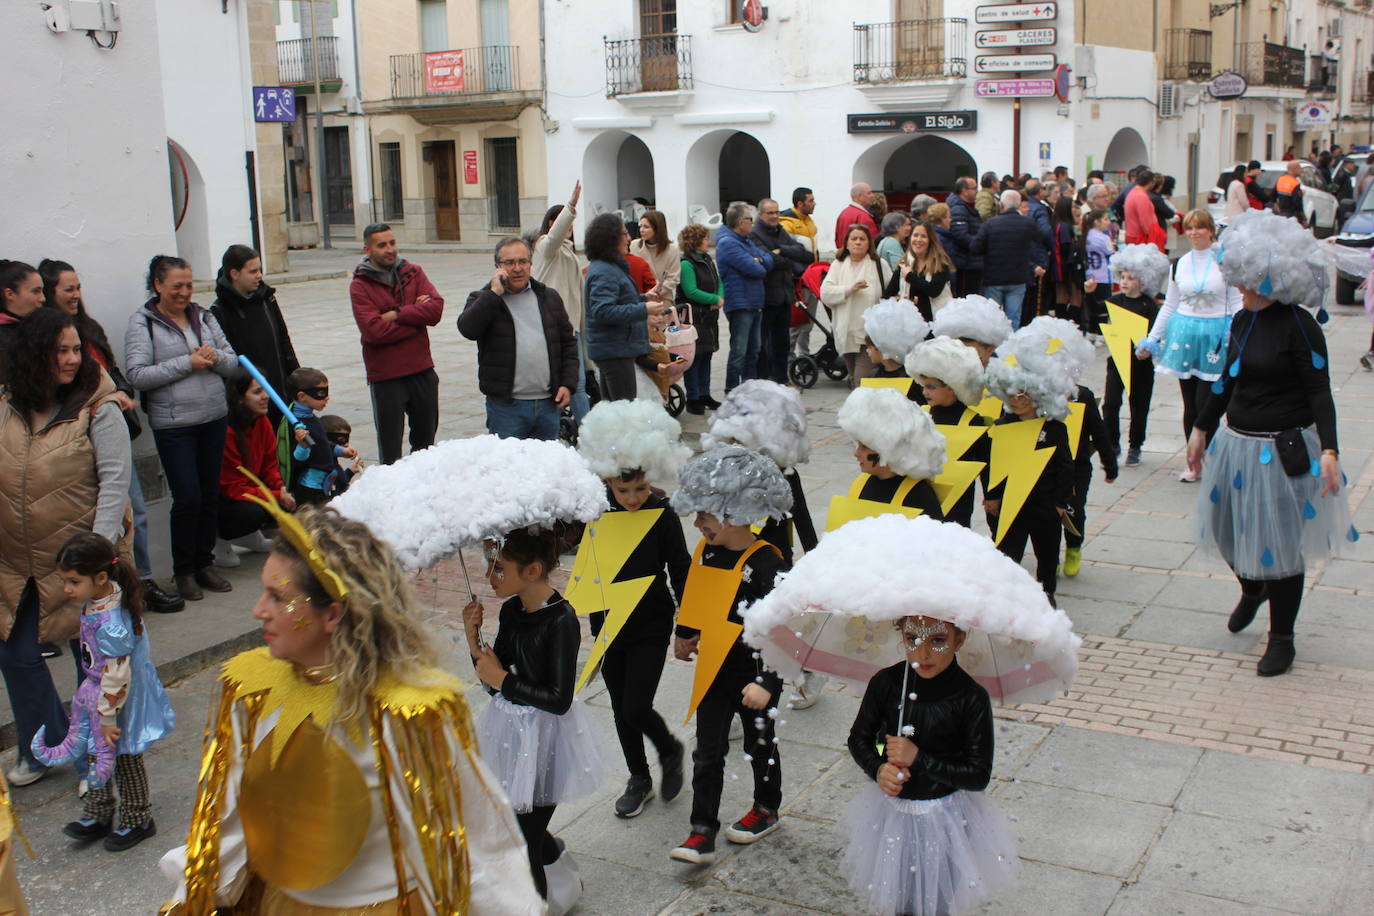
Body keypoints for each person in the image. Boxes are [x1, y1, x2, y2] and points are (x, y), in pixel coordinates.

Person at [160, 499, 543, 913]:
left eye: (277, 596)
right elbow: (230, 822)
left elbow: (475, 842)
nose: (258, 612)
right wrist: (193, 895)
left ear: (333, 614)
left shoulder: (408, 712)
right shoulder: (251, 690)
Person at [1186, 209, 1354, 677]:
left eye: (1248, 282)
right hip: (1236, 444)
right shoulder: (1242, 320)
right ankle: (1252, 587)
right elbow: (1225, 381)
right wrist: (1200, 429)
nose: (1240, 289)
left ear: (1270, 277)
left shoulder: (1301, 326)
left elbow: (1320, 391)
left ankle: (1282, 638)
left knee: (1280, 547)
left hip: (1283, 451)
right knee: (1225, 531)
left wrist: (1331, 449)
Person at [0, 309, 131, 787]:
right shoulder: (8, 404)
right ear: (35, 355)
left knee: (92, 668)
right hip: (17, 563)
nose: (73, 359)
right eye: (61, 350)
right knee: (15, 656)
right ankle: (42, 745)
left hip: (79, 562)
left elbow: (116, 482)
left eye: (77, 349)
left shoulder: (100, 406)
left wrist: (95, 553)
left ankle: (93, 759)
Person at [843, 615, 1017, 916]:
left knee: (936, 899)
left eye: (937, 641)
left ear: (959, 640)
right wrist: (879, 767)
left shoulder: (970, 697)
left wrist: (918, 758)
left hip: (945, 817)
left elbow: (978, 775)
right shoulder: (886, 683)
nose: (922, 654)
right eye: (912, 639)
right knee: (897, 895)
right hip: (892, 813)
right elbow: (861, 738)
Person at [463, 526, 601, 901]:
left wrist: (502, 679)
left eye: (499, 569)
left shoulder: (561, 620)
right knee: (518, 827)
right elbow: (492, 680)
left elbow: (558, 699)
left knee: (523, 844)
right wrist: (472, 639)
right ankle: (556, 858)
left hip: (545, 742)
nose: (490, 577)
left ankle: (536, 903)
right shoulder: (511, 610)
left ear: (533, 571)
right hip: (510, 734)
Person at [669, 445, 792, 865]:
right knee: (707, 751)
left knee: (761, 744)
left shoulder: (766, 565)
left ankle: (767, 807)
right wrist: (684, 633)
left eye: (704, 513)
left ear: (734, 511)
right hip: (713, 670)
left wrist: (768, 682)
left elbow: (782, 632)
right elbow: (696, 596)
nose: (697, 522)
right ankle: (702, 829)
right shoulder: (707, 551)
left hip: (753, 672)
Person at [39, 259, 182, 614]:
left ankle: (138, 583)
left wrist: (112, 393)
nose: (75, 294)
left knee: (134, 512)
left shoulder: (88, 328)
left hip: (111, 428)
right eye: (67, 288)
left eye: (78, 287)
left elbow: (111, 370)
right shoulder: (41, 340)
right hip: (78, 451)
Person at [575, 400, 690, 819]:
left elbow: (681, 567)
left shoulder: (662, 514)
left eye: (641, 488)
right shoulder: (594, 513)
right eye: (624, 491)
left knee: (636, 706)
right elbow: (583, 567)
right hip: (608, 622)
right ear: (607, 481)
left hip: (651, 622)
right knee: (620, 704)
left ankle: (669, 749)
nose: (634, 498)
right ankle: (638, 777)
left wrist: (688, 625)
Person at [35, 532, 174, 851]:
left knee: (124, 756)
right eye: (64, 581)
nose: (66, 589)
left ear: (99, 577)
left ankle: (138, 817)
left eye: (72, 581)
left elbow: (118, 670)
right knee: (97, 752)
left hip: (119, 697)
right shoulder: (99, 599)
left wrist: (109, 715)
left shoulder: (111, 619)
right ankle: (99, 812)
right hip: (101, 691)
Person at [125, 255, 238, 602]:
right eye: (177, 286)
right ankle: (184, 571)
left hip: (213, 416)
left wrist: (216, 359)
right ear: (158, 285)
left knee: (208, 495)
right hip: (174, 424)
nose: (184, 292)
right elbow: (137, 374)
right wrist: (186, 363)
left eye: (189, 285)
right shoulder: (143, 323)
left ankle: (205, 563)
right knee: (186, 497)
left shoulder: (204, 316)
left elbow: (234, 362)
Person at [1139, 210, 1240, 481]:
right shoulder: (1179, 263)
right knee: (1190, 403)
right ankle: (1194, 463)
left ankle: (1215, 460)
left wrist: (1242, 335)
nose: (1195, 233)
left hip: (1216, 337)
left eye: (1200, 228)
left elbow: (1237, 301)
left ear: (1211, 231)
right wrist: (1153, 337)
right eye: (1190, 228)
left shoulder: (1225, 262)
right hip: (1184, 337)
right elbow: (1171, 304)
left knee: (1208, 401)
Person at [983, 320, 1077, 605]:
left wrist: (1061, 503)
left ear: (1039, 392)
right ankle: (1007, 596)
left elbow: (1066, 467)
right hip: (1012, 501)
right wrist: (992, 496)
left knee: (1047, 552)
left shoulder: (1055, 428)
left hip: (1045, 504)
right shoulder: (1002, 424)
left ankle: (1047, 592)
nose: (1018, 399)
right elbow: (993, 465)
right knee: (1007, 553)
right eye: (1012, 393)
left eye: (1024, 393)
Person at [459, 237, 578, 440]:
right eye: (509, 263)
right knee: (508, 468)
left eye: (523, 261)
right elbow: (468, 329)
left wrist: (568, 383)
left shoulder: (549, 297)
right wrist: (494, 293)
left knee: (543, 469)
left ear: (531, 264)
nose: (517, 268)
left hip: (548, 404)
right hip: (507, 408)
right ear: (498, 267)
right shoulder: (484, 298)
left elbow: (568, 343)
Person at [350, 223, 444, 465]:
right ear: (367, 249)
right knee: (391, 451)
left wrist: (397, 313)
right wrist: (416, 314)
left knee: (426, 446)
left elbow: (435, 310)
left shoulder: (413, 272)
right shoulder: (359, 285)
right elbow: (374, 331)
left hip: (422, 370)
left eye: (392, 243)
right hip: (386, 377)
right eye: (382, 245)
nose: (390, 249)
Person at [584, 213, 670, 401]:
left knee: (614, 408)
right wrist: (644, 309)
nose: (629, 238)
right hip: (614, 349)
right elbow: (603, 311)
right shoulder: (605, 271)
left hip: (615, 348)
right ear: (609, 239)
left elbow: (616, 301)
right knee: (623, 410)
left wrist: (643, 297)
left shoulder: (608, 267)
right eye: (624, 234)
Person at [216, 370, 298, 569]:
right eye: (257, 391)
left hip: (250, 488)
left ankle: (250, 536)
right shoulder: (228, 431)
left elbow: (270, 464)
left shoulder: (261, 421)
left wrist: (280, 488)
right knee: (254, 511)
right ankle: (219, 541)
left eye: (266, 390)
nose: (265, 396)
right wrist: (276, 495)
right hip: (226, 499)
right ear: (240, 399)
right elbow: (232, 487)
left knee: (289, 499)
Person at [906, 336, 989, 527]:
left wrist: (992, 495)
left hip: (959, 502)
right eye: (923, 386)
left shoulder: (973, 421)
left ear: (953, 387)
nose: (925, 392)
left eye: (931, 387)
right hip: (923, 498)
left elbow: (986, 462)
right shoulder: (922, 415)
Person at [210, 244, 298, 421]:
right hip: (251, 400)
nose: (259, 275)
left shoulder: (267, 299)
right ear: (234, 274)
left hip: (279, 389)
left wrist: (295, 377)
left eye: (260, 269)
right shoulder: (220, 311)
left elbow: (283, 339)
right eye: (252, 271)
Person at [1096, 245, 1166, 468]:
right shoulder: (1116, 301)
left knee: (1139, 407)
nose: (1125, 281)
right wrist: (1089, 293)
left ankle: (1135, 446)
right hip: (1117, 361)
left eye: (1131, 278)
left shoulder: (1149, 305)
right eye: (1123, 277)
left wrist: (1149, 348)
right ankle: (1112, 444)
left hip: (1141, 365)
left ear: (1143, 280)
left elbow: (1156, 332)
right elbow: (1096, 311)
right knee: (1110, 404)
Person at [836, 387, 946, 521]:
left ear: (890, 448)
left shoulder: (918, 494)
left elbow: (936, 538)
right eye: (858, 445)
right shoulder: (860, 484)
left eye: (865, 447)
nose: (856, 453)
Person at [533, 181, 592, 423]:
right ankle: (589, 433)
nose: (570, 226)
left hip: (571, 327)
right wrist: (570, 207)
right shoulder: (546, 245)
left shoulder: (566, 251)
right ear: (552, 223)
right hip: (554, 327)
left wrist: (581, 275)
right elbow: (554, 238)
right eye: (564, 221)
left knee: (576, 382)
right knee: (574, 382)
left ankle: (569, 428)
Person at [753, 198, 813, 384]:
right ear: (760, 215)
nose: (774, 216)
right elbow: (769, 261)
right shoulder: (755, 234)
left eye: (776, 212)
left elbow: (805, 253)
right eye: (770, 213)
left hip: (785, 296)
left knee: (782, 342)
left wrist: (781, 250)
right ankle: (765, 379)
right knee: (764, 343)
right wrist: (785, 258)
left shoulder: (780, 231)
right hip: (766, 296)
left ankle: (781, 378)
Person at [715, 203, 774, 393]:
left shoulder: (746, 240)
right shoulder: (728, 243)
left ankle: (749, 389)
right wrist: (757, 261)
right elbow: (757, 269)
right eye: (750, 218)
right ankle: (731, 390)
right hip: (740, 303)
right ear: (741, 222)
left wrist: (759, 260)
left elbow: (768, 260)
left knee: (754, 350)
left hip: (754, 302)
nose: (753, 222)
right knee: (739, 351)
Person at [822, 224, 890, 386]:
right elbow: (826, 293)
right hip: (846, 333)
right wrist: (850, 289)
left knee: (861, 379)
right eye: (854, 239)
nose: (858, 242)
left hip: (870, 334)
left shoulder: (879, 265)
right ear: (846, 243)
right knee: (853, 378)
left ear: (869, 243)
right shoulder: (838, 265)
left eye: (862, 239)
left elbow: (891, 292)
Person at [971, 190, 1047, 330]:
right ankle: (1011, 347)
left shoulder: (990, 224)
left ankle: (993, 348)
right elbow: (1040, 240)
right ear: (1018, 205)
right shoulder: (1028, 223)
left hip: (993, 278)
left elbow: (975, 247)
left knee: (992, 317)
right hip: (1018, 277)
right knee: (1013, 317)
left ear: (1001, 205)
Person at [284, 367, 358, 506]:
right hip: (309, 488)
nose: (327, 397)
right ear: (301, 396)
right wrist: (303, 446)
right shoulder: (295, 425)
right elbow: (296, 459)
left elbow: (322, 444)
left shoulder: (312, 419)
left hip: (324, 484)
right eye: (320, 393)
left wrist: (341, 451)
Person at [677, 223, 724, 414]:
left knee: (707, 355)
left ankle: (705, 393)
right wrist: (714, 299)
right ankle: (693, 397)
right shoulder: (687, 264)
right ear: (695, 241)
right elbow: (690, 291)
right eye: (705, 238)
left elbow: (718, 281)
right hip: (694, 318)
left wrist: (719, 297)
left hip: (709, 317)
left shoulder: (707, 260)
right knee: (694, 359)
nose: (708, 241)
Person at [886, 222, 954, 321]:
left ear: (931, 240)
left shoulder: (940, 263)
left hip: (935, 321)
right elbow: (888, 295)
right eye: (915, 235)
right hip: (910, 322)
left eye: (923, 236)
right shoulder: (904, 264)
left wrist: (910, 276)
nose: (918, 240)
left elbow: (934, 291)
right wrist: (899, 299)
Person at [630, 210, 681, 301]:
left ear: (657, 228)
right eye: (640, 226)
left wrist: (657, 292)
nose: (641, 230)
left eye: (646, 227)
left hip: (662, 300)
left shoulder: (672, 250)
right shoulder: (634, 245)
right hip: (639, 300)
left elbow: (673, 279)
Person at [946, 177, 985, 296]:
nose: (977, 191)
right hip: (965, 262)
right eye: (974, 188)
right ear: (964, 190)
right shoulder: (959, 208)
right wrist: (979, 244)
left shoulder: (966, 207)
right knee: (965, 297)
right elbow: (960, 235)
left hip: (971, 261)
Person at [1049, 196, 1084, 324]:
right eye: (1073, 207)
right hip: (1065, 264)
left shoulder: (1056, 223)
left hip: (1057, 263)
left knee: (1061, 294)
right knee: (1074, 294)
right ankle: (1071, 322)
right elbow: (1066, 246)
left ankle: (1061, 321)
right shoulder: (1064, 226)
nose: (1075, 210)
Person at [1080, 208, 1114, 335]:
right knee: (1103, 306)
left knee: (1092, 304)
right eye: (1105, 219)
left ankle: (1091, 331)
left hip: (1090, 275)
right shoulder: (1103, 238)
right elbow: (1111, 252)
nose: (1108, 222)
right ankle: (1100, 332)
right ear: (1097, 221)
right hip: (1103, 275)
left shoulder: (1086, 236)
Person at [0, 260, 43, 360]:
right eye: (36, 291)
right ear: (10, 294)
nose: (42, 298)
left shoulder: (37, 329)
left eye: (42, 291)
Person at [1123, 169, 1167, 251]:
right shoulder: (1141, 197)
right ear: (1151, 183)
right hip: (1140, 240)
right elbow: (1146, 223)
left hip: (1134, 237)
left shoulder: (1133, 192)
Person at [834, 182, 880, 250]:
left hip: (844, 257)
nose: (872, 195)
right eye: (869, 193)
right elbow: (873, 243)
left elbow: (837, 240)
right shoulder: (863, 217)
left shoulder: (843, 213)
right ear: (859, 196)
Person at [779, 186, 819, 258]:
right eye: (811, 201)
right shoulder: (786, 224)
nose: (814, 204)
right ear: (800, 204)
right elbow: (786, 252)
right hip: (800, 268)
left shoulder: (808, 219)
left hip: (811, 267)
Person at [1274, 159, 1306, 225]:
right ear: (1294, 170)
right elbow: (1297, 203)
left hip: (1280, 212)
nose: (1301, 170)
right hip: (1291, 214)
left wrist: (1276, 206)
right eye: (1299, 168)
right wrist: (1302, 219)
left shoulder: (1280, 179)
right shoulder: (1295, 183)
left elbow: (1272, 196)